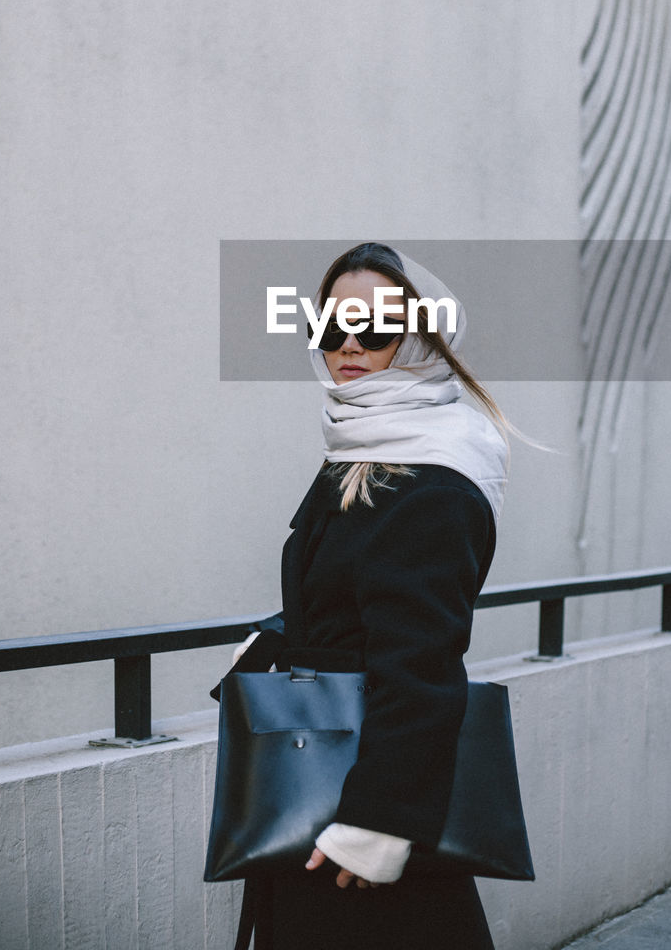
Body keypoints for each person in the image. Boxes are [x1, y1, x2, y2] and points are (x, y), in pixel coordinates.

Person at [228, 242, 510, 950]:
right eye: (331, 328)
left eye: (376, 329)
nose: (348, 346)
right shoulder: (360, 453)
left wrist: (379, 823)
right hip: (324, 776)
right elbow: (351, 599)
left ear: (419, 340)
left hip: (359, 813)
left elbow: (421, 665)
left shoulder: (432, 480)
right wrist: (278, 637)